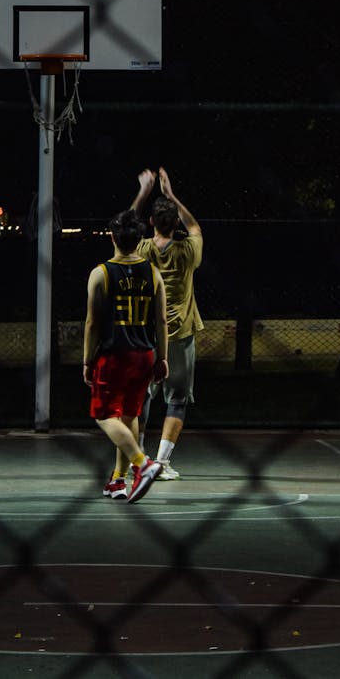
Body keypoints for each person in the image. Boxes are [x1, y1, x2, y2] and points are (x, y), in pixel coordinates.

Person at [83, 208, 168, 504]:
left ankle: (142, 463)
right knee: (129, 415)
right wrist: (163, 357)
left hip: (115, 354)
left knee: (104, 415)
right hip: (144, 354)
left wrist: (86, 359)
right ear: (141, 238)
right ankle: (118, 481)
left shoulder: (101, 273)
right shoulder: (153, 273)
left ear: (112, 237)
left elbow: (92, 322)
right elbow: (161, 321)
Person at [131, 167, 203, 480]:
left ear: (151, 223)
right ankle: (161, 462)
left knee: (142, 397)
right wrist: (171, 194)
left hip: (147, 334)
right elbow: (196, 227)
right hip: (180, 335)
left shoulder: (142, 250)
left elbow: (123, 229)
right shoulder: (187, 251)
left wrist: (144, 192)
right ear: (176, 225)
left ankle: (140, 459)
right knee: (177, 401)